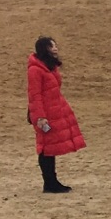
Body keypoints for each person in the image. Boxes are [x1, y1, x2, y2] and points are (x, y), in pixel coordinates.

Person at [27, 37, 85, 193]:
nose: (55, 48)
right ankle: (50, 183)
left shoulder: (49, 67)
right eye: (51, 46)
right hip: (44, 113)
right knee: (45, 148)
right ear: (44, 48)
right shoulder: (35, 70)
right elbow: (35, 95)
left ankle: (52, 182)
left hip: (53, 111)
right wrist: (40, 117)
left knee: (50, 147)